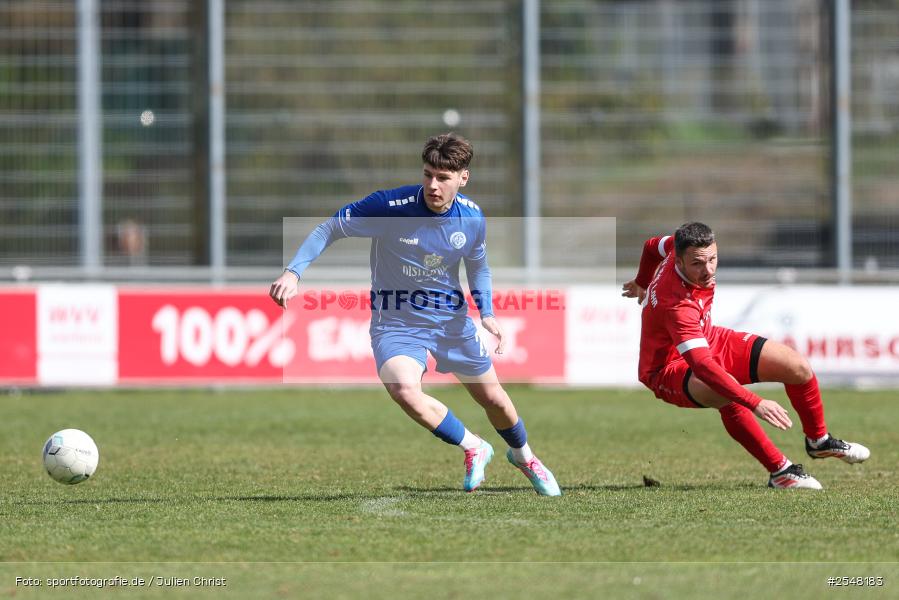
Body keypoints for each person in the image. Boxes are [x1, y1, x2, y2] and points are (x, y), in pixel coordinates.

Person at [269, 133, 561, 496]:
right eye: (427, 175)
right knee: (404, 389)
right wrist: (293, 272)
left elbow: (478, 267)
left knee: (494, 399)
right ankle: (473, 446)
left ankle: (524, 456)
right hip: (396, 320)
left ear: (463, 178)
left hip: (449, 319)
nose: (433, 185)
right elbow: (329, 227)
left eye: (443, 178)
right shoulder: (390, 206)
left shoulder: (471, 218)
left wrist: (487, 312)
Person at [622, 222, 869, 489]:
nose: (708, 270)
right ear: (679, 261)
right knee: (723, 390)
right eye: (697, 264)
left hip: (708, 337)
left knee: (796, 367)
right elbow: (703, 366)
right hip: (667, 369)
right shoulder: (677, 305)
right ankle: (781, 471)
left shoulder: (675, 246)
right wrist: (756, 402)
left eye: (713, 259)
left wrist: (641, 282)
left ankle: (819, 441)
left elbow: (650, 246)